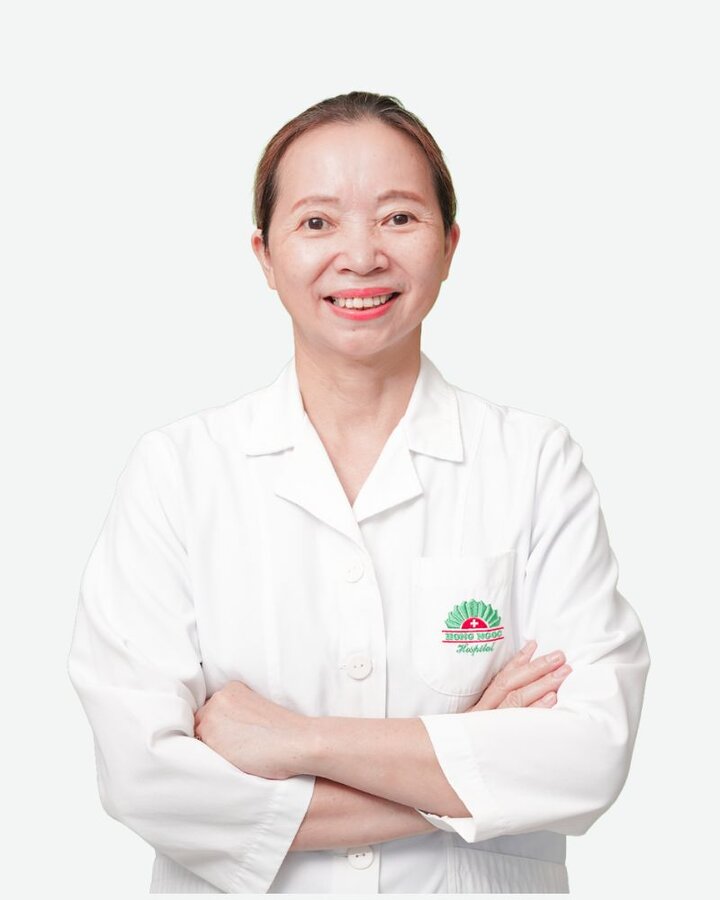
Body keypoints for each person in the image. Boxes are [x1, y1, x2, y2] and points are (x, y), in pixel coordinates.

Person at [67, 91, 650, 894]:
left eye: (399, 217)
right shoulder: (178, 473)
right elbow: (145, 781)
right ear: (264, 256)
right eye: (316, 222)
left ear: (449, 245)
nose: (361, 255)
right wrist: (472, 753)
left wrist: (296, 741)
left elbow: (587, 758)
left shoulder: (534, 465)